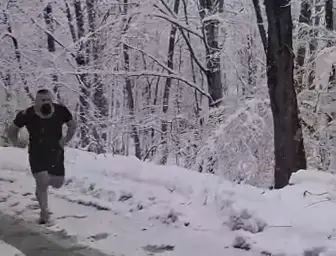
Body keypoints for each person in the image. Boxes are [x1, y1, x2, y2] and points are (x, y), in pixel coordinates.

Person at [7, 89, 77, 224]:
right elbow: (12, 130)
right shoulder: (27, 114)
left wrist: (66, 139)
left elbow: (72, 125)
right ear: (36, 102)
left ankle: (40, 190)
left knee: (58, 183)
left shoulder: (61, 111)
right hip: (36, 152)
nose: (46, 102)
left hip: (55, 151)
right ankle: (44, 212)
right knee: (43, 180)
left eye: (48, 100)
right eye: (43, 100)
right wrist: (16, 142)